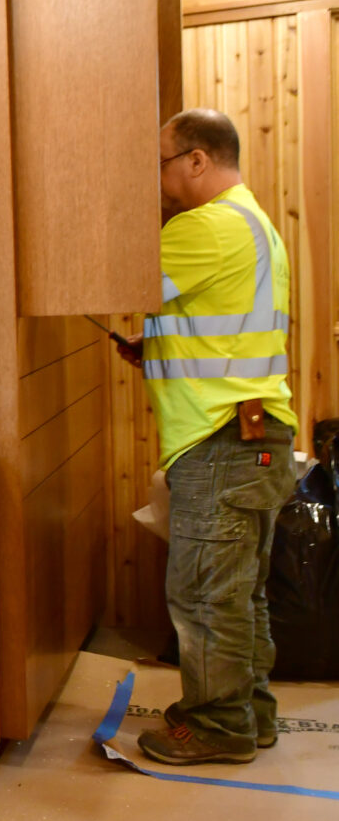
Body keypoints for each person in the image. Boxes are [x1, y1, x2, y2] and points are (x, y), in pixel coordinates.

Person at [119, 108, 298, 766]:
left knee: (202, 596)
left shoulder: (204, 225)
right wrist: (158, 344)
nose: (157, 182)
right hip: (251, 434)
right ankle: (247, 715)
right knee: (237, 594)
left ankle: (217, 726)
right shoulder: (251, 222)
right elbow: (213, 320)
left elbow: (117, 275)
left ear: (195, 159)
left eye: (160, 164)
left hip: (220, 440)